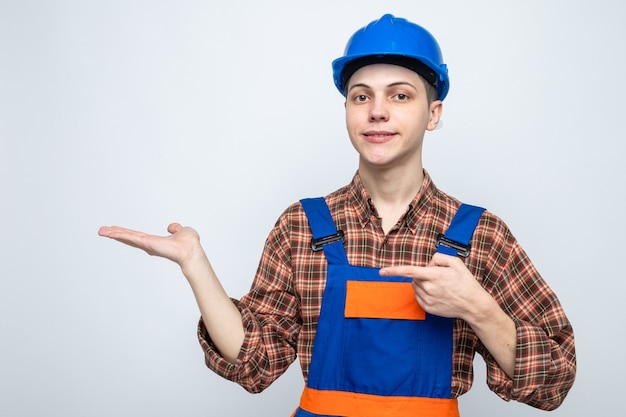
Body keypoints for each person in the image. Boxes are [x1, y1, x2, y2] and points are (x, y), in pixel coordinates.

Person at [98, 14, 576, 416]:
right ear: (347, 109)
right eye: (361, 96)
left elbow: (555, 381)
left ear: (433, 113)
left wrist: (477, 307)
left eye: (401, 95)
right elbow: (253, 364)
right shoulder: (301, 226)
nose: (377, 112)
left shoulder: (480, 235)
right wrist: (196, 267)